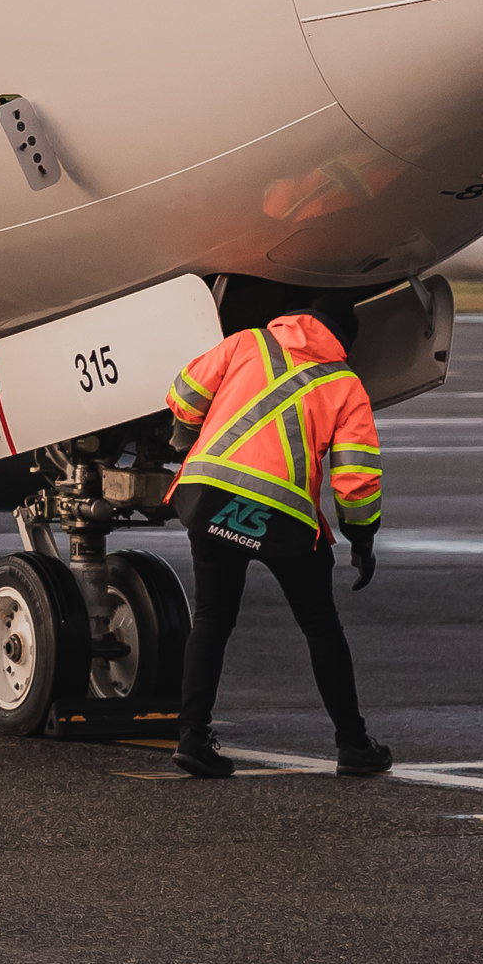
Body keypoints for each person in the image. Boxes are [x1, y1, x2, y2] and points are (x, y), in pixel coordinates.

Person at [159, 309, 389, 779]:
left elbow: (184, 393)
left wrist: (187, 431)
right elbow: (355, 478)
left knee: (211, 619)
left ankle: (192, 736)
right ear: (343, 340)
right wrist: (361, 539)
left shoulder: (249, 343)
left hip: (210, 497)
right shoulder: (345, 384)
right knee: (320, 626)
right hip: (283, 518)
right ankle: (352, 744)